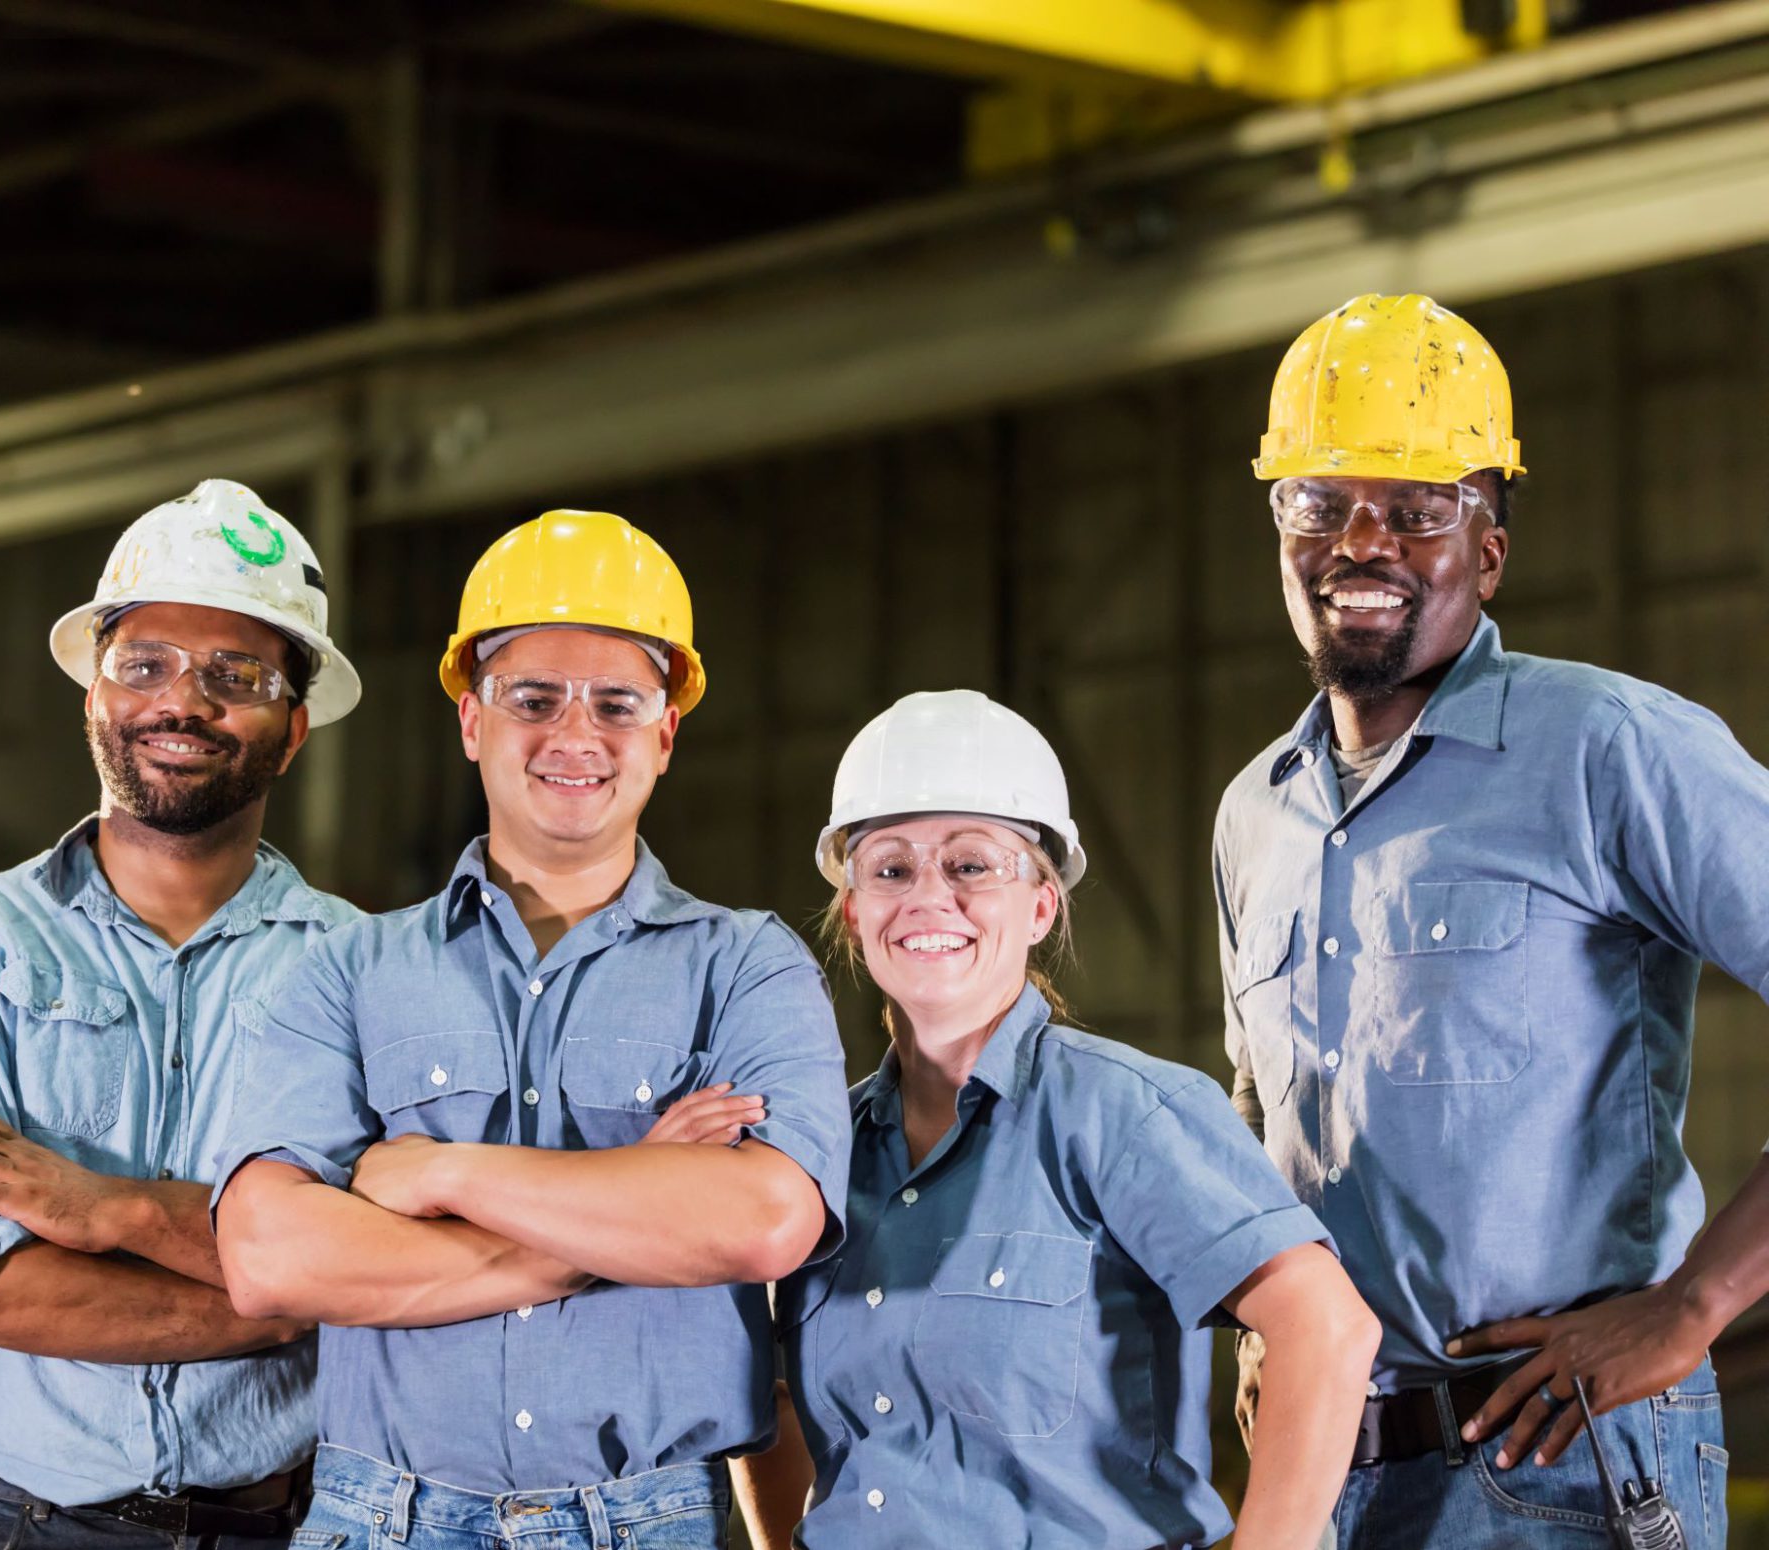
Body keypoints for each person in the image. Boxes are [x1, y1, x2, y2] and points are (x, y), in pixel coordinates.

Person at [1220, 292, 1769, 1544]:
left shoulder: (1604, 749)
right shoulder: (1253, 815)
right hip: (1333, 1474)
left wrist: (1691, 1304)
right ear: (1278, 529)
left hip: (1564, 1465)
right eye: (1320, 502)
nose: (1361, 541)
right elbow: (1263, 1107)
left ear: (1489, 549)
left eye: (1415, 512)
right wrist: (1264, 1315)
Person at [214, 509, 850, 1550]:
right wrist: (620, 1214)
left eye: (616, 702)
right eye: (533, 697)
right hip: (381, 1517)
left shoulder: (746, 964)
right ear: (471, 720)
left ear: (664, 733)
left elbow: (761, 1219)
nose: (575, 733)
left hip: (648, 1516)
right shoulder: (345, 970)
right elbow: (269, 1256)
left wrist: (437, 1170)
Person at [735, 689, 1376, 1549]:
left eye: (971, 865)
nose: (928, 896)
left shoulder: (1120, 1113)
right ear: (853, 913)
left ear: (1041, 906)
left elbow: (1326, 1327)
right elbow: (773, 1406)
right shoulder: (817, 1153)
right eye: (889, 868)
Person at [0, 479, 363, 1549]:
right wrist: (280, 1295)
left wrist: (113, 1210)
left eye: (239, 675)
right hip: (19, 1523)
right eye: (144, 665)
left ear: (296, 725)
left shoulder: (364, 973)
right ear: (93, 692)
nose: (184, 701)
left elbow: (377, 1260)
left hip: (294, 1526)